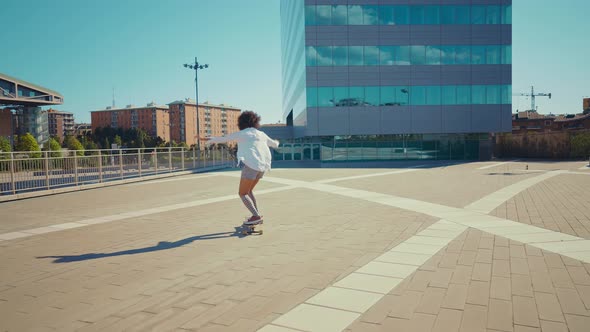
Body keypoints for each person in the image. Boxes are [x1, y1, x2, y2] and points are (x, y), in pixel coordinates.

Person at [198, 111, 279, 225]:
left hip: (251, 166)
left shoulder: (242, 133)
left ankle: (256, 216)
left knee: (242, 193)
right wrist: (277, 142)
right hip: (262, 168)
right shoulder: (261, 134)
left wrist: (205, 138)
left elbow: (222, 139)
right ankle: (256, 214)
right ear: (256, 122)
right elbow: (274, 144)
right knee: (249, 191)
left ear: (241, 122)